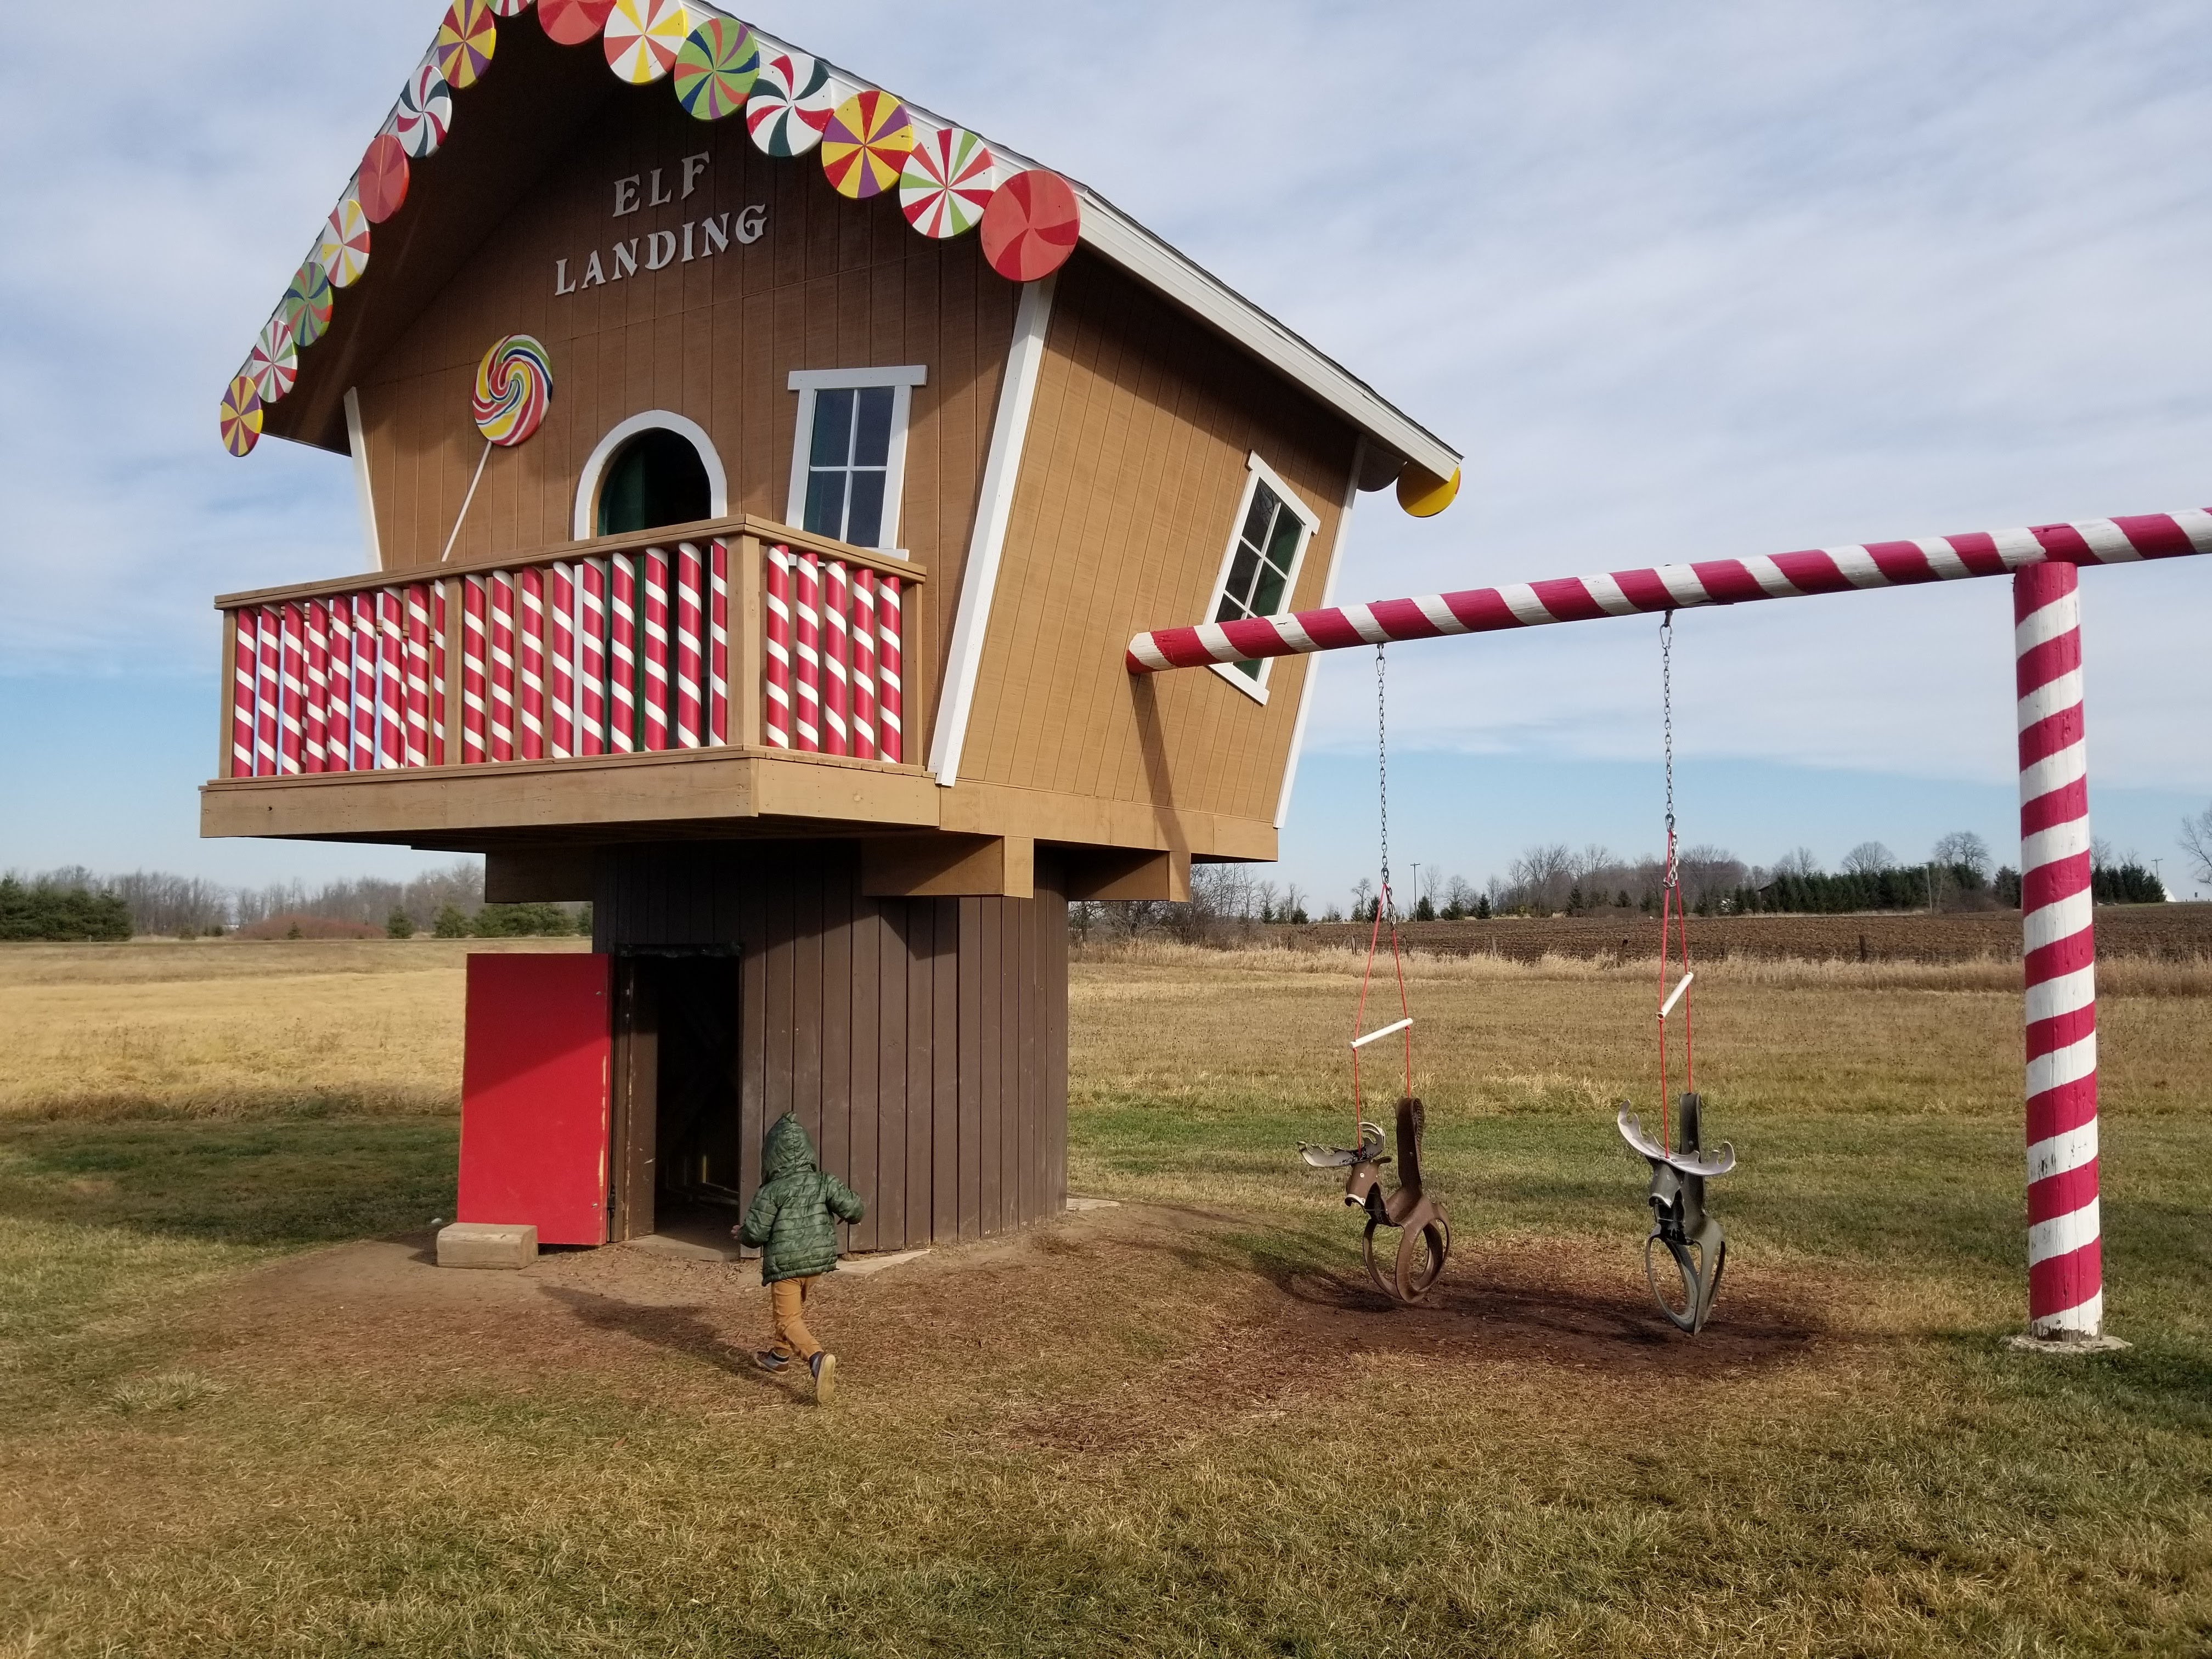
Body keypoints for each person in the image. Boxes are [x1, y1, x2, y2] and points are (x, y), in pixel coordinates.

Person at [734, 1111, 865, 1401]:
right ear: (807, 1150)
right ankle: (779, 1356)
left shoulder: (771, 1191)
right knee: (791, 1313)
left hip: (787, 1266)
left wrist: (741, 1233)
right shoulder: (823, 1182)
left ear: (770, 1157)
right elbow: (854, 1209)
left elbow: (755, 1234)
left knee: (787, 1320)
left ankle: (817, 1359)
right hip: (816, 1265)